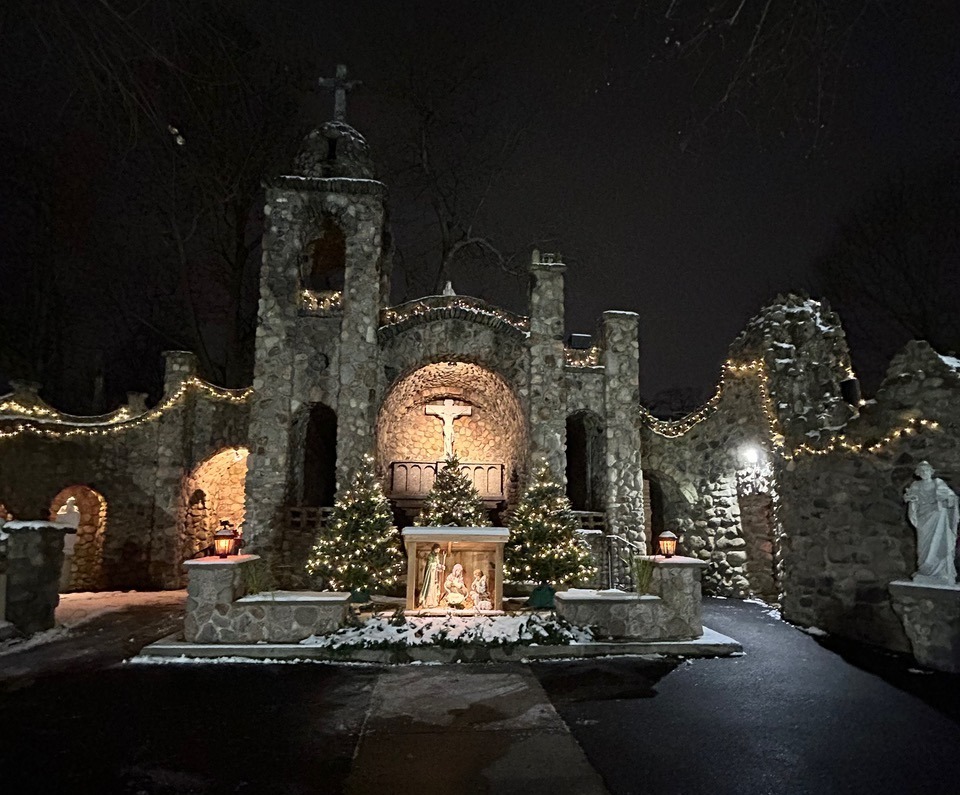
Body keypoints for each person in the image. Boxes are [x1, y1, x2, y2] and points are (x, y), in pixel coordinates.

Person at [904, 461, 959, 585]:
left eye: (926, 470)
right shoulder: (915, 485)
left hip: (937, 516)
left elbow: (951, 498)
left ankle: (940, 572)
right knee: (923, 546)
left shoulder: (938, 483)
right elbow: (911, 499)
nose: (924, 473)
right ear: (918, 473)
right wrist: (911, 499)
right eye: (921, 471)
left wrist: (945, 498)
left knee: (939, 542)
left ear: (931, 471)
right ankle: (925, 570)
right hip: (923, 518)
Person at [418, 543, 443, 608]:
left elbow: (437, 565)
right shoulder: (430, 556)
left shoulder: (437, 556)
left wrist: (440, 567)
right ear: (434, 549)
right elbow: (430, 565)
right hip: (430, 575)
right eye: (437, 549)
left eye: (439, 550)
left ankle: (434, 602)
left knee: (434, 587)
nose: (438, 551)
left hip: (435, 575)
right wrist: (436, 565)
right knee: (430, 588)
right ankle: (427, 602)